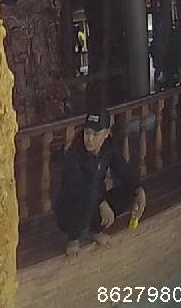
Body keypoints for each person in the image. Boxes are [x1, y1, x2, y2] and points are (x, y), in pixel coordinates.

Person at [55, 108, 147, 256]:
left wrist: (140, 189)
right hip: (71, 209)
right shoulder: (74, 153)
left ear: (106, 134)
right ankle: (74, 237)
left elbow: (123, 170)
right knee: (82, 198)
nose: (90, 139)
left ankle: (93, 230)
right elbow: (77, 187)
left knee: (131, 193)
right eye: (87, 133)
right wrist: (101, 202)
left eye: (95, 134)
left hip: (95, 201)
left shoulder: (108, 148)